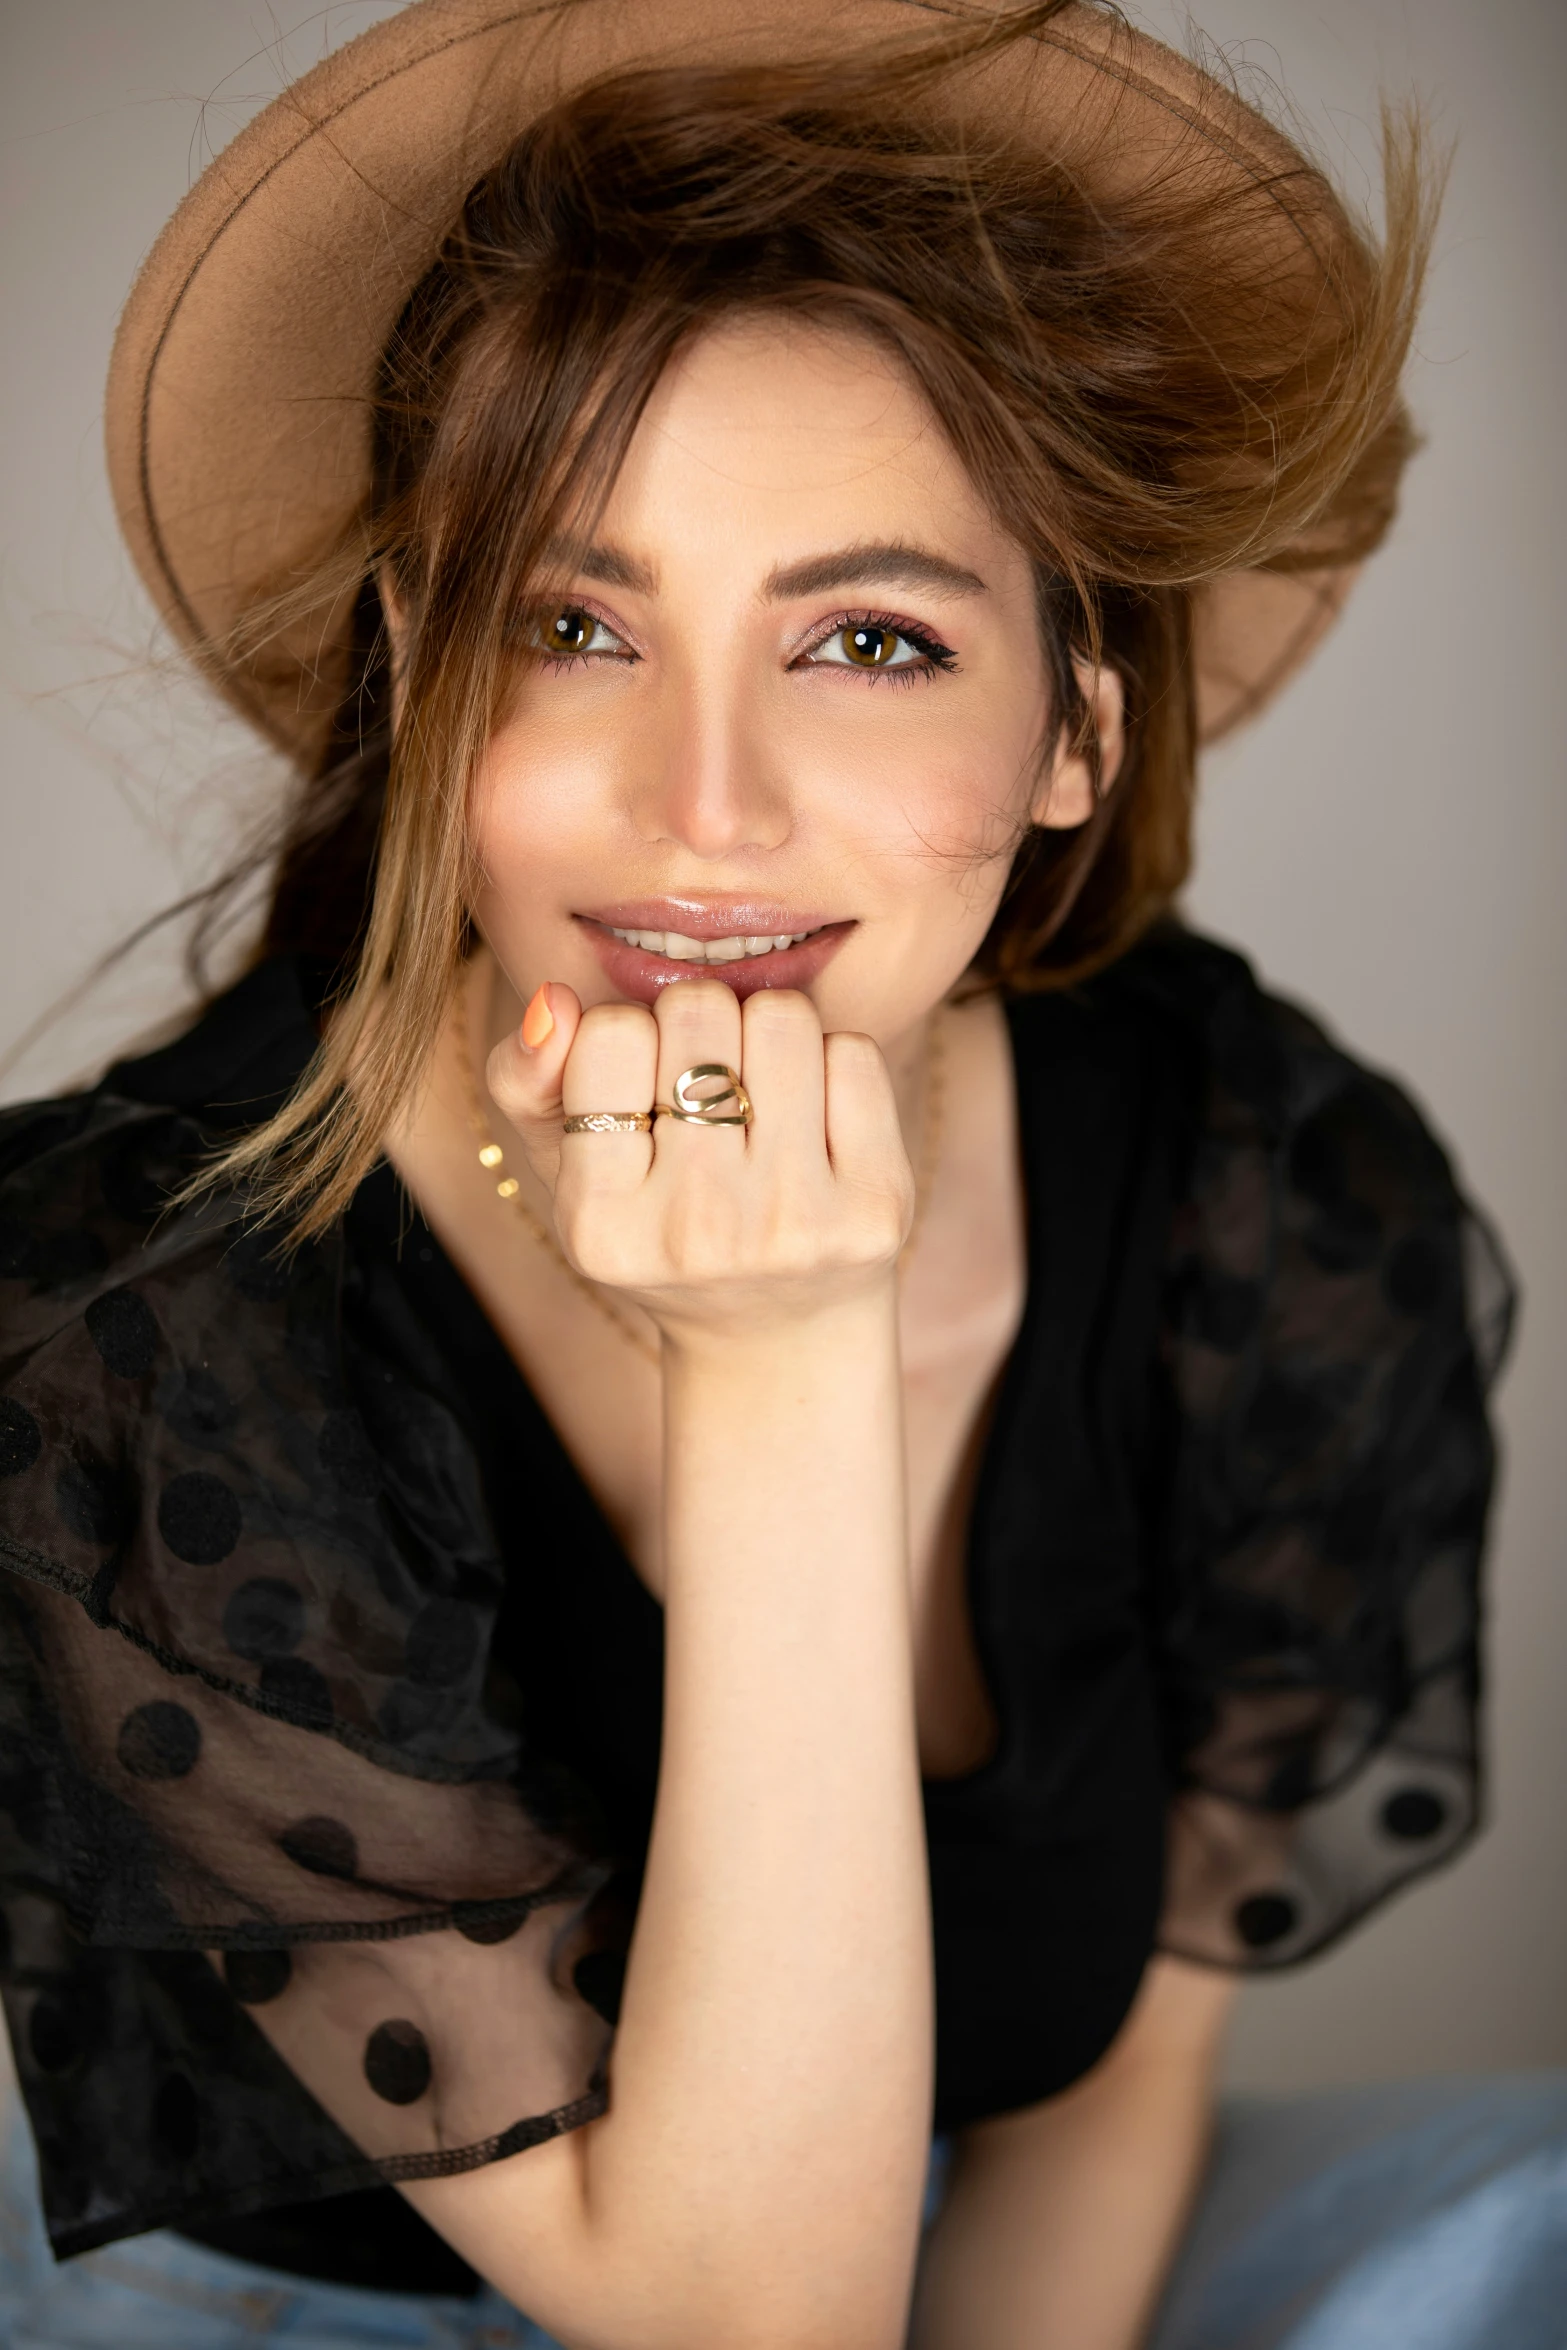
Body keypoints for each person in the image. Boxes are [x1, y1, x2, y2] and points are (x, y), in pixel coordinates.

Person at [0, 3, 1560, 2345]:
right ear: (416, 670)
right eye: (569, 621)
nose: (706, 804)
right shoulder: (135, 1319)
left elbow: (1109, 2083)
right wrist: (786, 1351)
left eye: (866, 637)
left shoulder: (1263, 1184)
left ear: (1072, 724)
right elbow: (750, 2316)